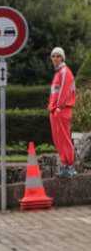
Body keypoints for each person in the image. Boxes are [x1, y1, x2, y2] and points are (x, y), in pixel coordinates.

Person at [49, 47, 77, 177]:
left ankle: (70, 166)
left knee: (64, 138)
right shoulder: (57, 73)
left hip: (62, 110)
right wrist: (52, 108)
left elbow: (64, 91)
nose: (55, 58)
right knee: (58, 139)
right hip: (55, 111)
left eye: (58, 56)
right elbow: (54, 93)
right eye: (53, 56)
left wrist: (58, 107)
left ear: (62, 58)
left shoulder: (65, 71)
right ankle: (64, 165)